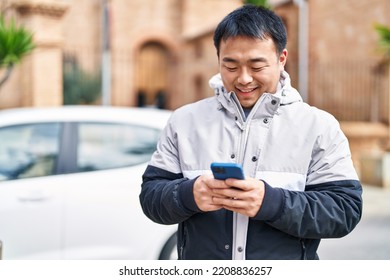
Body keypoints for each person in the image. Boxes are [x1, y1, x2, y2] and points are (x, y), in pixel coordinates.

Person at [139, 4, 362, 260]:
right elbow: (150, 197)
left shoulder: (319, 126)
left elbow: (345, 210)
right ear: (219, 60)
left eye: (256, 66)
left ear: (281, 59)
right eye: (231, 67)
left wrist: (272, 203)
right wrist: (188, 195)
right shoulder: (184, 121)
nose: (244, 79)